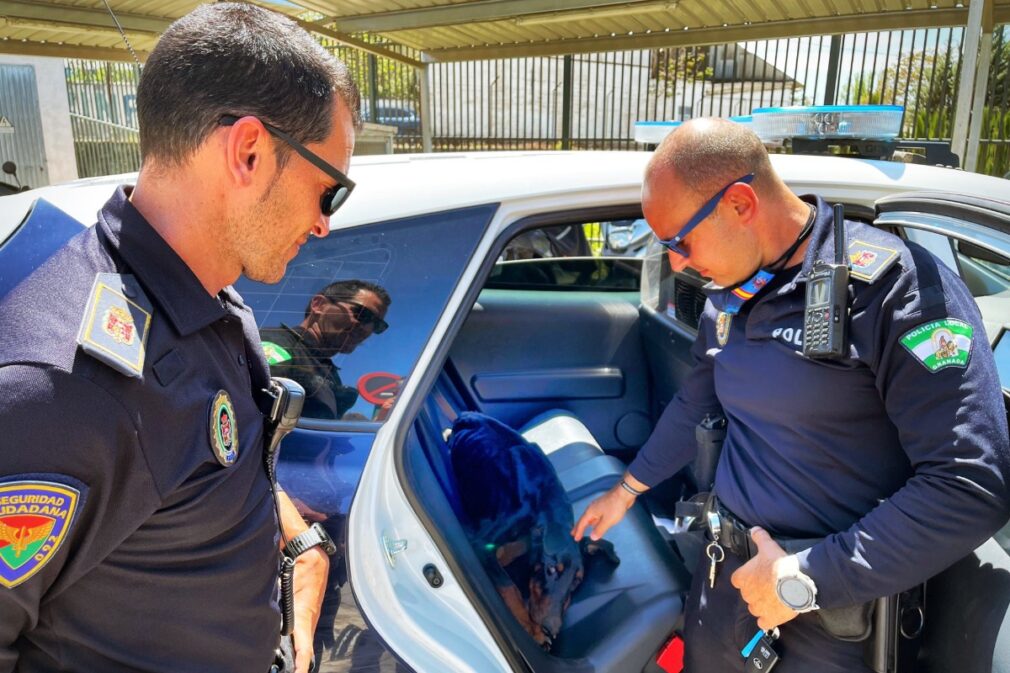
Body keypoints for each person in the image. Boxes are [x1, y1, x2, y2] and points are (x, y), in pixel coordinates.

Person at [573, 118, 1010, 672]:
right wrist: (628, 490)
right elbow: (697, 405)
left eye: (679, 241)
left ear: (739, 204)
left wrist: (803, 579)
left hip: (824, 617)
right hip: (724, 580)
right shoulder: (730, 293)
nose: (677, 262)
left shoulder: (895, 292)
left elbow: (968, 485)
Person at [0, 4, 361, 673]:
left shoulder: (207, 302)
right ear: (248, 151)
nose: (323, 225)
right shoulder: (60, 384)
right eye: (328, 191)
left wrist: (300, 543)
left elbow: (196, 468)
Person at [260, 279, 391, 420]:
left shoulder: (330, 375)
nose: (367, 329)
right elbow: (253, 410)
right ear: (319, 305)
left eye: (377, 325)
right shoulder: (278, 344)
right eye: (363, 315)